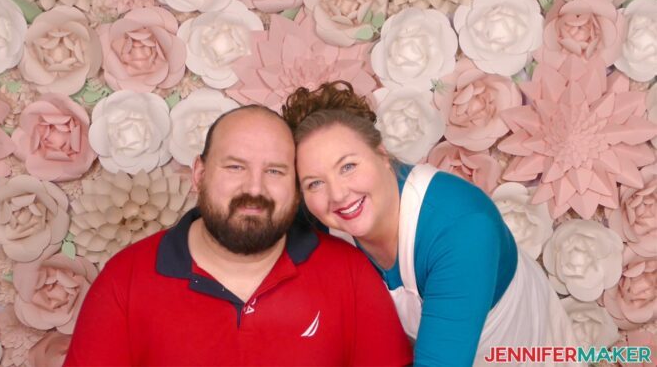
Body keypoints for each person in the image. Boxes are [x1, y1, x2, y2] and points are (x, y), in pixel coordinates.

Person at [64, 105, 413, 366]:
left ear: (295, 185)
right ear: (198, 173)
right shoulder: (125, 279)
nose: (254, 188)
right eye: (235, 167)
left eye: (275, 171)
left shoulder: (349, 273)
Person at [282, 82, 579, 366]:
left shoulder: (460, 229)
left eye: (348, 166)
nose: (337, 194)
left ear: (382, 155)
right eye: (315, 183)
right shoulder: (318, 213)